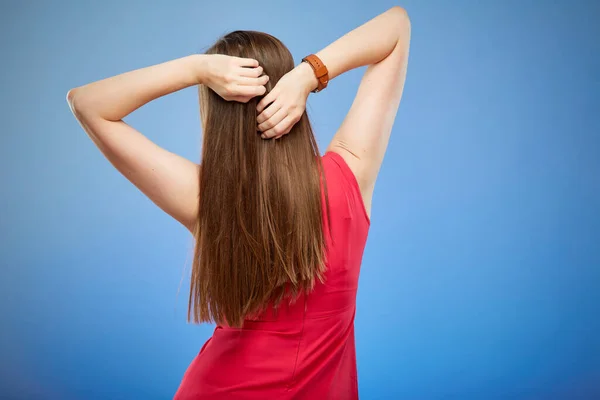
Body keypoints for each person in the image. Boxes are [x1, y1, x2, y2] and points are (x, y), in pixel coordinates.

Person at [67, 5, 410, 399]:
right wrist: (308, 74)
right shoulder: (349, 173)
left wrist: (198, 68)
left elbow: (87, 103)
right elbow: (396, 26)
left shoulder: (203, 196)